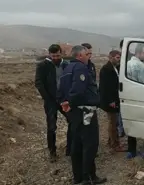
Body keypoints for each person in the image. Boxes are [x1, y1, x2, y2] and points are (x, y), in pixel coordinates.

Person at [58, 45, 106, 185]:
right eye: (86, 54)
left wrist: (65, 103)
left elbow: (60, 91)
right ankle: (87, 177)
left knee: (77, 144)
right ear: (79, 56)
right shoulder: (80, 68)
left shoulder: (66, 69)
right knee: (90, 144)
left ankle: (78, 177)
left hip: (74, 113)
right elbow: (78, 90)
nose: (88, 56)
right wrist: (71, 102)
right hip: (86, 111)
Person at [34, 44, 71, 162]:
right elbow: (39, 83)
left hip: (64, 99)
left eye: (58, 55)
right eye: (53, 55)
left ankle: (70, 147)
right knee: (51, 127)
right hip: (50, 100)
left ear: (61, 54)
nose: (55, 58)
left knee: (72, 121)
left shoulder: (66, 65)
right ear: (49, 54)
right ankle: (52, 151)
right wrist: (47, 98)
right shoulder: (42, 66)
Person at [126, 43, 144, 159]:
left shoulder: (128, 64)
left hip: (130, 98)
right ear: (138, 53)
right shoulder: (141, 66)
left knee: (131, 124)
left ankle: (131, 150)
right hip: (142, 99)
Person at [99, 50, 125, 152]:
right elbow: (105, 87)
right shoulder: (106, 69)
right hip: (111, 101)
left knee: (115, 122)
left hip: (115, 99)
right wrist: (111, 101)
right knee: (113, 123)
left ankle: (112, 141)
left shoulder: (116, 68)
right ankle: (114, 144)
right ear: (111, 57)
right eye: (117, 58)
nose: (119, 60)